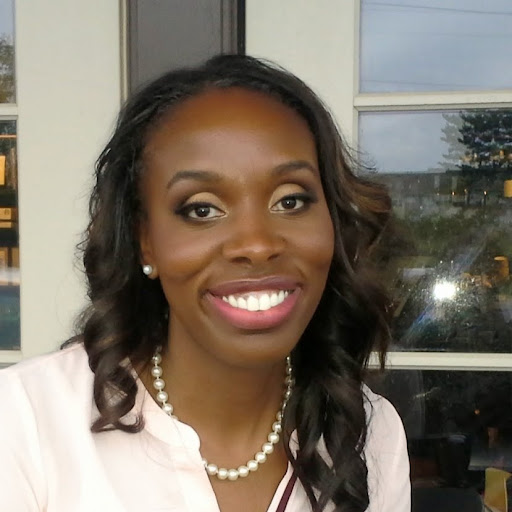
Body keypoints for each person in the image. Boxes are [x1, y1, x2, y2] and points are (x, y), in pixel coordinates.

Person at [0, 54, 410, 511]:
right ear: (145, 243)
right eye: (201, 209)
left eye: (291, 201)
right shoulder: (24, 423)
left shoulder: (370, 434)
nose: (256, 245)